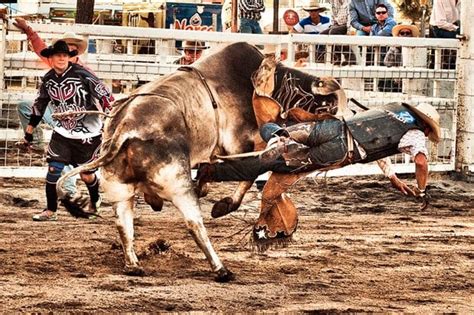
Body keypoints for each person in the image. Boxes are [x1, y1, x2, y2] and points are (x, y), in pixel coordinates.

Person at [198, 102, 440, 204]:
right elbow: (420, 162)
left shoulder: (393, 110)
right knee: (272, 164)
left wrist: (392, 178)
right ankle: (211, 172)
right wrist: (420, 189)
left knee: (272, 129)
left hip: (333, 127)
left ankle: (279, 137)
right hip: (340, 150)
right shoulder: (417, 133)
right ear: (427, 126)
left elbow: (376, 142)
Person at [21, 40, 114, 221]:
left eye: (65, 55)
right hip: (63, 131)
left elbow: (105, 95)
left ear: (69, 57)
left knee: (86, 174)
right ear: (51, 58)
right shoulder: (48, 80)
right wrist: (29, 131)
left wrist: (111, 116)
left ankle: (95, 200)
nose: (62, 58)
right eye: (58, 55)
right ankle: (50, 210)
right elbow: (40, 104)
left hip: (89, 132)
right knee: (54, 169)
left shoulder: (83, 74)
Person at [13, 18, 93, 197]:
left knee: (68, 143)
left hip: (76, 116)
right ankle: (37, 141)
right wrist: (28, 30)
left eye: (71, 47)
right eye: (65, 47)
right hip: (57, 110)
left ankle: (70, 188)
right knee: (25, 107)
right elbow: (40, 48)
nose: (67, 51)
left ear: (75, 51)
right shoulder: (58, 63)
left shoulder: (83, 71)